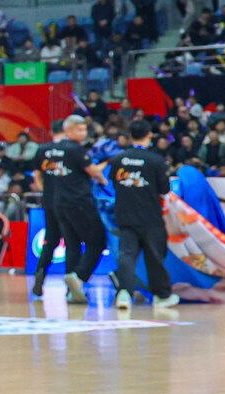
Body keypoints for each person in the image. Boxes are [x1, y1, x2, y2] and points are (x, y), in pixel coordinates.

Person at [33, 113, 107, 302]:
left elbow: (37, 175)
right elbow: (93, 172)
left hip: (53, 201)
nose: (84, 133)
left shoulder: (44, 150)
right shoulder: (75, 149)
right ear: (67, 130)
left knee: (58, 241)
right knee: (90, 242)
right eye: (81, 129)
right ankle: (74, 282)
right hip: (77, 201)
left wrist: (45, 191)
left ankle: (42, 273)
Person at [107, 119, 177, 311]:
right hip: (150, 215)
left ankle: (124, 293)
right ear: (149, 135)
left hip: (125, 215)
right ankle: (162, 295)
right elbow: (164, 189)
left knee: (127, 255)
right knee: (155, 256)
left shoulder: (119, 159)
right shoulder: (156, 160)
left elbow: (114, 183)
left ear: (130, 136)